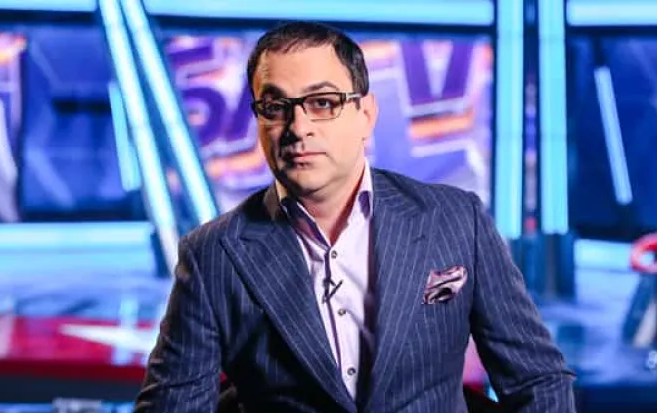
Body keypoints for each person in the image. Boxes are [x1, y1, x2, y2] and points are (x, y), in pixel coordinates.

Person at [135, 21, 576, 413]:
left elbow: (538, 381)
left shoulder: (457, 219)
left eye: (323, 103)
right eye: (275, 107)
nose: (298, 128)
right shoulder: (212, 254)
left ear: (365, 115)